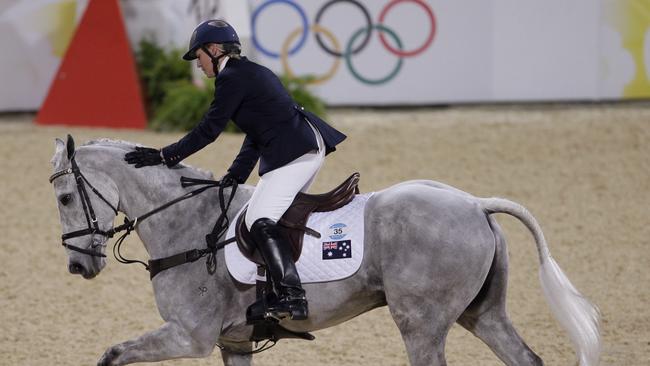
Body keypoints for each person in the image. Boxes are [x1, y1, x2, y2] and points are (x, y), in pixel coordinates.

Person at [124, 19, 346, 322]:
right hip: (301, 146)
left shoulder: (232, 78)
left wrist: (165, 155)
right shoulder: (247, 73)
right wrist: (236, 174)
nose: (199, 65)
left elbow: (209, 130)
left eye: (199, 57)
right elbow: (256, 131)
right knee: (275, 216)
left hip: (294, 151)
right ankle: (277, 289)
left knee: (259, 218)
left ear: (214, 49)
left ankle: (293, 298)